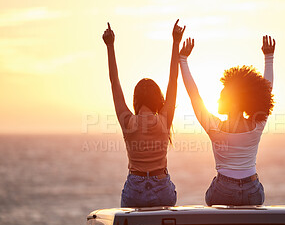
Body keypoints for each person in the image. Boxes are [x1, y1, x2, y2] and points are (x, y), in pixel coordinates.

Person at [179, 35, 275, 206]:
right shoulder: (257, 125)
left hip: (223, 190)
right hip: (252, 190)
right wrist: (269, 57)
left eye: (222, 97)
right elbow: (267, 90)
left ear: (233, 101)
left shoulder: (214, 127)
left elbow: (194, 95)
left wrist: (183, 59)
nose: (217, 100)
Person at [102, 20, 185, 207]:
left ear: (136, 100)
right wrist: (175, 42)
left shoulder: (128, 121)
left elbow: (114, 82)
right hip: (162, 187)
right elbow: (173, 80)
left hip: (135, 188)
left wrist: (110, 46)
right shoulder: (164, 120)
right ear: (158, 99)